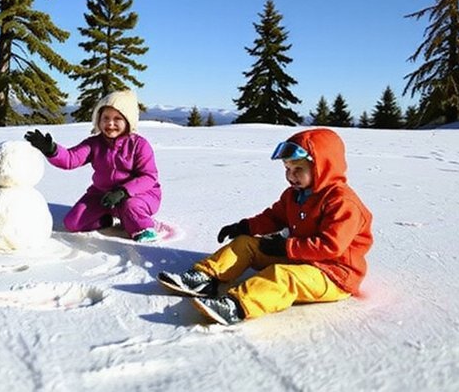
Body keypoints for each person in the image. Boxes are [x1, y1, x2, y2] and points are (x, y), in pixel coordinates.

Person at [157, 127, 373, 324]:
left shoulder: (343, 202)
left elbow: (330, 246)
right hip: (301, 258)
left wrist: (284, 247)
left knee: (283, 275)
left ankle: (237, 305)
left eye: (298, 168)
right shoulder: (293, 196)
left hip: (334, 274)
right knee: (247, 244)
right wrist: (245, 227)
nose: (290, 175)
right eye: (287, 168)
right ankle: (205, 277)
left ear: (323, 166)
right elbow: (273, 218)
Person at [24, 90, 162, 243]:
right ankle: (107, 219)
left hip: (139, 194)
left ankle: (143, 228)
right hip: (103, 194)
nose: (110, 123)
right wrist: (52, 150)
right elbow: (71, 159)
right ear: (98, 120)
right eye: (105, 118)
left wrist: (123, 191)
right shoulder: (94, 143)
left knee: (131, 206)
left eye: (117, 119)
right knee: (72, 222)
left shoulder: (139, 145)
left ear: (128, 121)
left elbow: (148, 176)